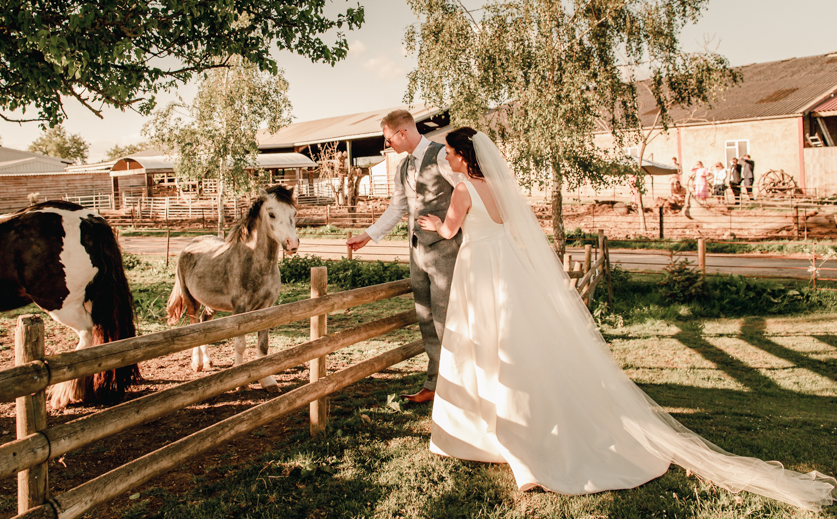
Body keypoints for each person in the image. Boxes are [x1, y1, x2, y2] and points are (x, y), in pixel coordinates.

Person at [416, 127, 836, 508]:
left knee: (484, 344)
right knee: (519, 345)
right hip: (508, 269)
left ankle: (495, 436)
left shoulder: (463, 190)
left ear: (461, 154)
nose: (448, 158)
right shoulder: (499, 186)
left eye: (451, 153)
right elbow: (506, 227)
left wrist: (434, 222)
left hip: (480, 270)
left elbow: (452, 231)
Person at [346, 110, 463, 404]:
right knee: (425, 318)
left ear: (402, 133)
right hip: (416, 252)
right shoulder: (402, 167)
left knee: (445, 319)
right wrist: (369, 235)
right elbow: (397, 207)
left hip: (446, 252)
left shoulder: (441, 156)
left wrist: (448, 228)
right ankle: (435, 384)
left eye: (388, 139)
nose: (388, 146)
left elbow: (466, 191)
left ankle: (456, 386)